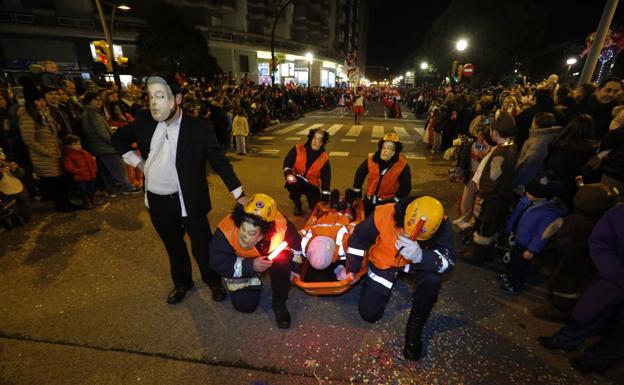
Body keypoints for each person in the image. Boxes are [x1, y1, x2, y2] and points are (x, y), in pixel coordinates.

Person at [112, 74, 246, 304]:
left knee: (202, 246)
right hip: (157, 201)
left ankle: (213, 282)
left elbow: (219, 162)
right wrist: (139, 164)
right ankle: (182, 283)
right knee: (174, 246)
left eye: (160, 96)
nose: (154, 102)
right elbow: (118, 139)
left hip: (189, 201)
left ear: (178, 99)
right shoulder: (145, 121)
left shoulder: (198, 128)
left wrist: (239, 194)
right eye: (151, 97)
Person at [341, 196, 456, 361]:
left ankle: (415, 328)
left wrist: (420, 255)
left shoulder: (440, 224)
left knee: (432, 280)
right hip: (385, 262)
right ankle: (371, 286)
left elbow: (449, 261)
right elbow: (359, 237)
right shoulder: (386, 212)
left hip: (417, 264)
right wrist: (352, 268)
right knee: (369, 314)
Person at [538, 203, 624, 375]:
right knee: (587, 313)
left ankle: (597, 360)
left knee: (621, 334)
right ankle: (565, 340)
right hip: (613, 278)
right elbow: (602, 240)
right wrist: (615, 272)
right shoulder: (619, 213)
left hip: (613, 278)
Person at [209, 194, 301, 329]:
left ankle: (279, 303)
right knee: (246, 306)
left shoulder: (281, 224)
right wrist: (250, 265)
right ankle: (252, 279)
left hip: (268, 258)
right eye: (243, 229)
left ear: (263, 234)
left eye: (252, 233)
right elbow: (217, 262)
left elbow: (296, 247)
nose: (244, 236)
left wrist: (294, 269)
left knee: (283, 261)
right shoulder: (225, 231)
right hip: (241, 264)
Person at [461, 112, 518, 264]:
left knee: (484, 227)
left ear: (495, 132)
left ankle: (476, 255)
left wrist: (482, 193)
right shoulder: (512, 148)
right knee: (493, 227)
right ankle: (488, 253)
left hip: (491, 199)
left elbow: (491, 180)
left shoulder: (500, 153)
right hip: (502, 197)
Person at [499, 172, 568, 294]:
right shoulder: (532, 202)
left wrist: (532, 250)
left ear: (543, 196)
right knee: (513, 261)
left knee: (521, 266)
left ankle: (514, 285)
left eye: (531, 193)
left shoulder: (549, 213)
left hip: (526, 244)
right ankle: (509, 277)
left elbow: (543, 234)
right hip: (518, 239)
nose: (527, 194)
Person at [18, 76, 75, 212]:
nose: (42, 103)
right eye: (38, 101)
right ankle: (61, 206)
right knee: (54, 183)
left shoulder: (44, 115)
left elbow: (52, 132)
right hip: (45, 156)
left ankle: (66, 203)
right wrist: (47, 152)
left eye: (42, 100)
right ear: (32, 103)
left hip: (55, 152)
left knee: (61, 181)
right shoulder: (27, 117)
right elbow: (29, 140)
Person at [81, 92, 136, 197]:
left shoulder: (89, 113)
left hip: (98, 147)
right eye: (95, 99)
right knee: (119, 168)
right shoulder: (93, 114)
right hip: (105, 147)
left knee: (107, 171)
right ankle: (127, 188)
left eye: (100, 100)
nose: (99, 102)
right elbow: (102, 132)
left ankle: (112, 190)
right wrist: (115, 142)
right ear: (88, 101)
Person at [352, 133, 411, 217]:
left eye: (389, 148)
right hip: (369, 201)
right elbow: (359, 175)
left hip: (387, 204)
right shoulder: (371, 160)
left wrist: (395, 200)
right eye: (383, 147)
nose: (385, 150)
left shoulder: (402, 165)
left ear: (394, 152)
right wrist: (357, 195)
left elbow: (406, 187)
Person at [283, 128, 331, 216]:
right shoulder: (298, 148)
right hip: (296, 179)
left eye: (319, 140)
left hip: (312, 184)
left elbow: (326, 178)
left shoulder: (324, 157)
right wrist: (288, 174)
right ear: (310, 138)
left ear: (322, 143)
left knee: (315, 205)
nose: (316, 142)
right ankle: (297, 204)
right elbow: (287, 164)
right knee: (292, 185)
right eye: (314, 138)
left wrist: (325, 197)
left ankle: (312, 203)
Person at [513, 112, 561, 193]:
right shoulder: (551, 136)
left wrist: (515, 180)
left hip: (529, 181)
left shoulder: (538, 142)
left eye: (533, 121)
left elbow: (527, 164)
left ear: (536, 124)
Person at [63, 135, 98, 209]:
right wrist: (79, 171)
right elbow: (69, 167)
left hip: (90, 175)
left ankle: (93, 201)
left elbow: (92, 161)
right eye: (75, 145)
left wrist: (94, 169)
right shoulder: (69, 156)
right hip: (80, 178)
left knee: (91, 189)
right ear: (69, 146)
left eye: (79, 144)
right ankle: (86, 203)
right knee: (83, 191)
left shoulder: (85, 153)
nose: (78, 146)